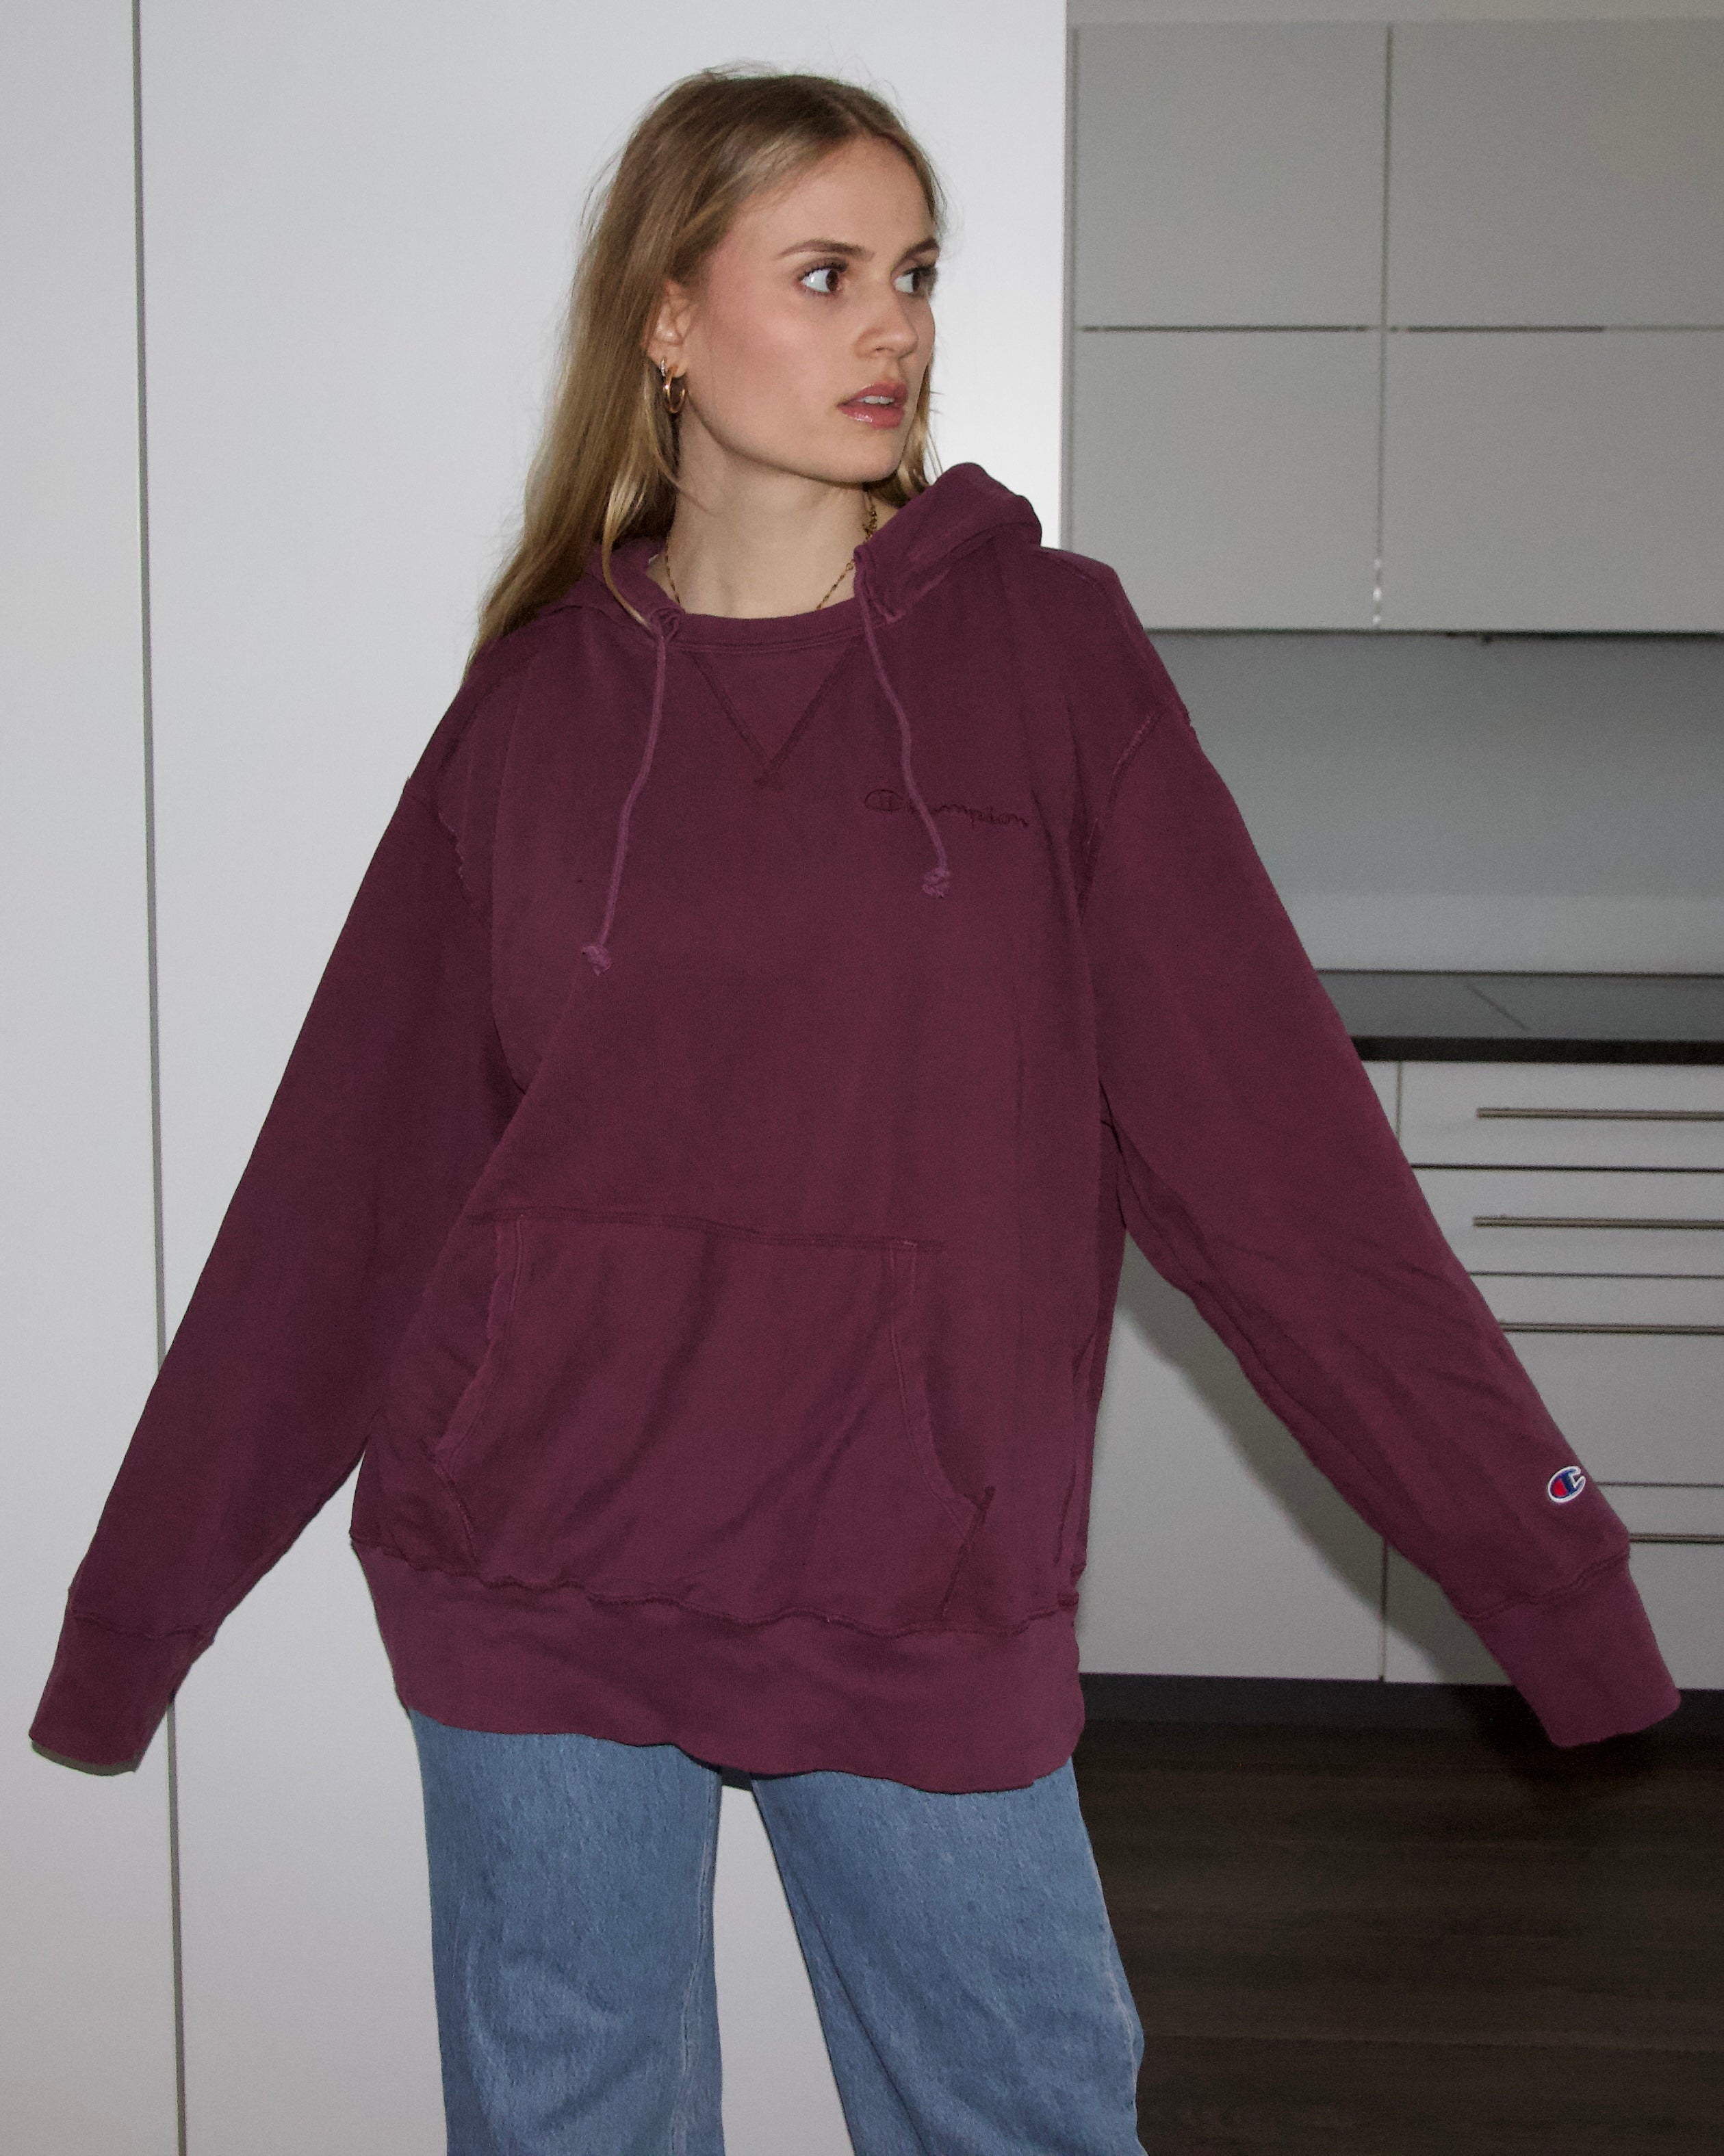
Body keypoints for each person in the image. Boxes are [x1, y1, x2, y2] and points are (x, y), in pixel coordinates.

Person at [32, 63, 1677, 2156]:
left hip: (915, 1576)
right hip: (535, 1573)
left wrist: (1542, 1572)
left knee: (1023, 2121)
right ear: (669, 319)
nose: (893, 325)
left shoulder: (1048, 659)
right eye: (825, 274)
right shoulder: (537, 703)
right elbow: (344, 1195)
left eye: (914, 274)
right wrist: (136, 1616)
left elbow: (1280, 1161)